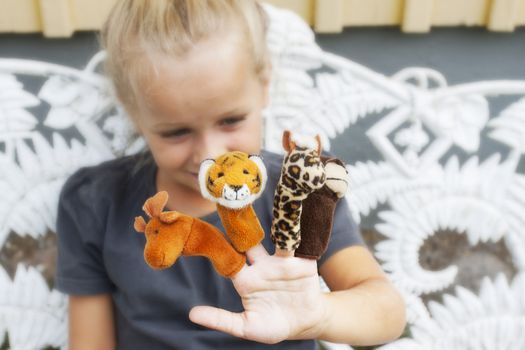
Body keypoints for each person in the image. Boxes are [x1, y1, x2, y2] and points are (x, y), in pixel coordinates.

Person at [55, 1, 406, 349]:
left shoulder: (302, 190)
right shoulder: (95, 202)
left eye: (230, 120)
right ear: (131, 109)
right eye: (176, 132)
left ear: (265, 83)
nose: (210, 156)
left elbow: (387, 313)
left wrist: (319, 315)